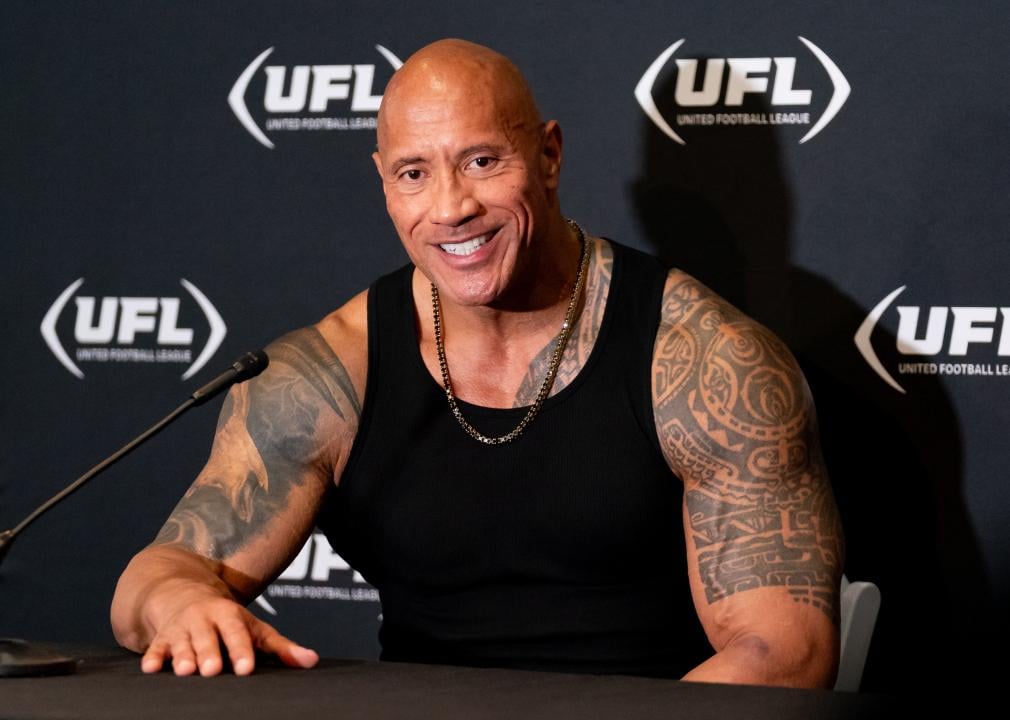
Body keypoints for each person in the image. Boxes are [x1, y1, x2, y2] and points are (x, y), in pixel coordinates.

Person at [111, 38, 844, 688]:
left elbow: (784, 654)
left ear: (549, 156)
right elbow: (157, 577)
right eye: (413, 174)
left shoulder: (707, 361)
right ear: (383, 183)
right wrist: (179, 603)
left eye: (482, 161)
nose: (451, 206)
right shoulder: (333, 370)